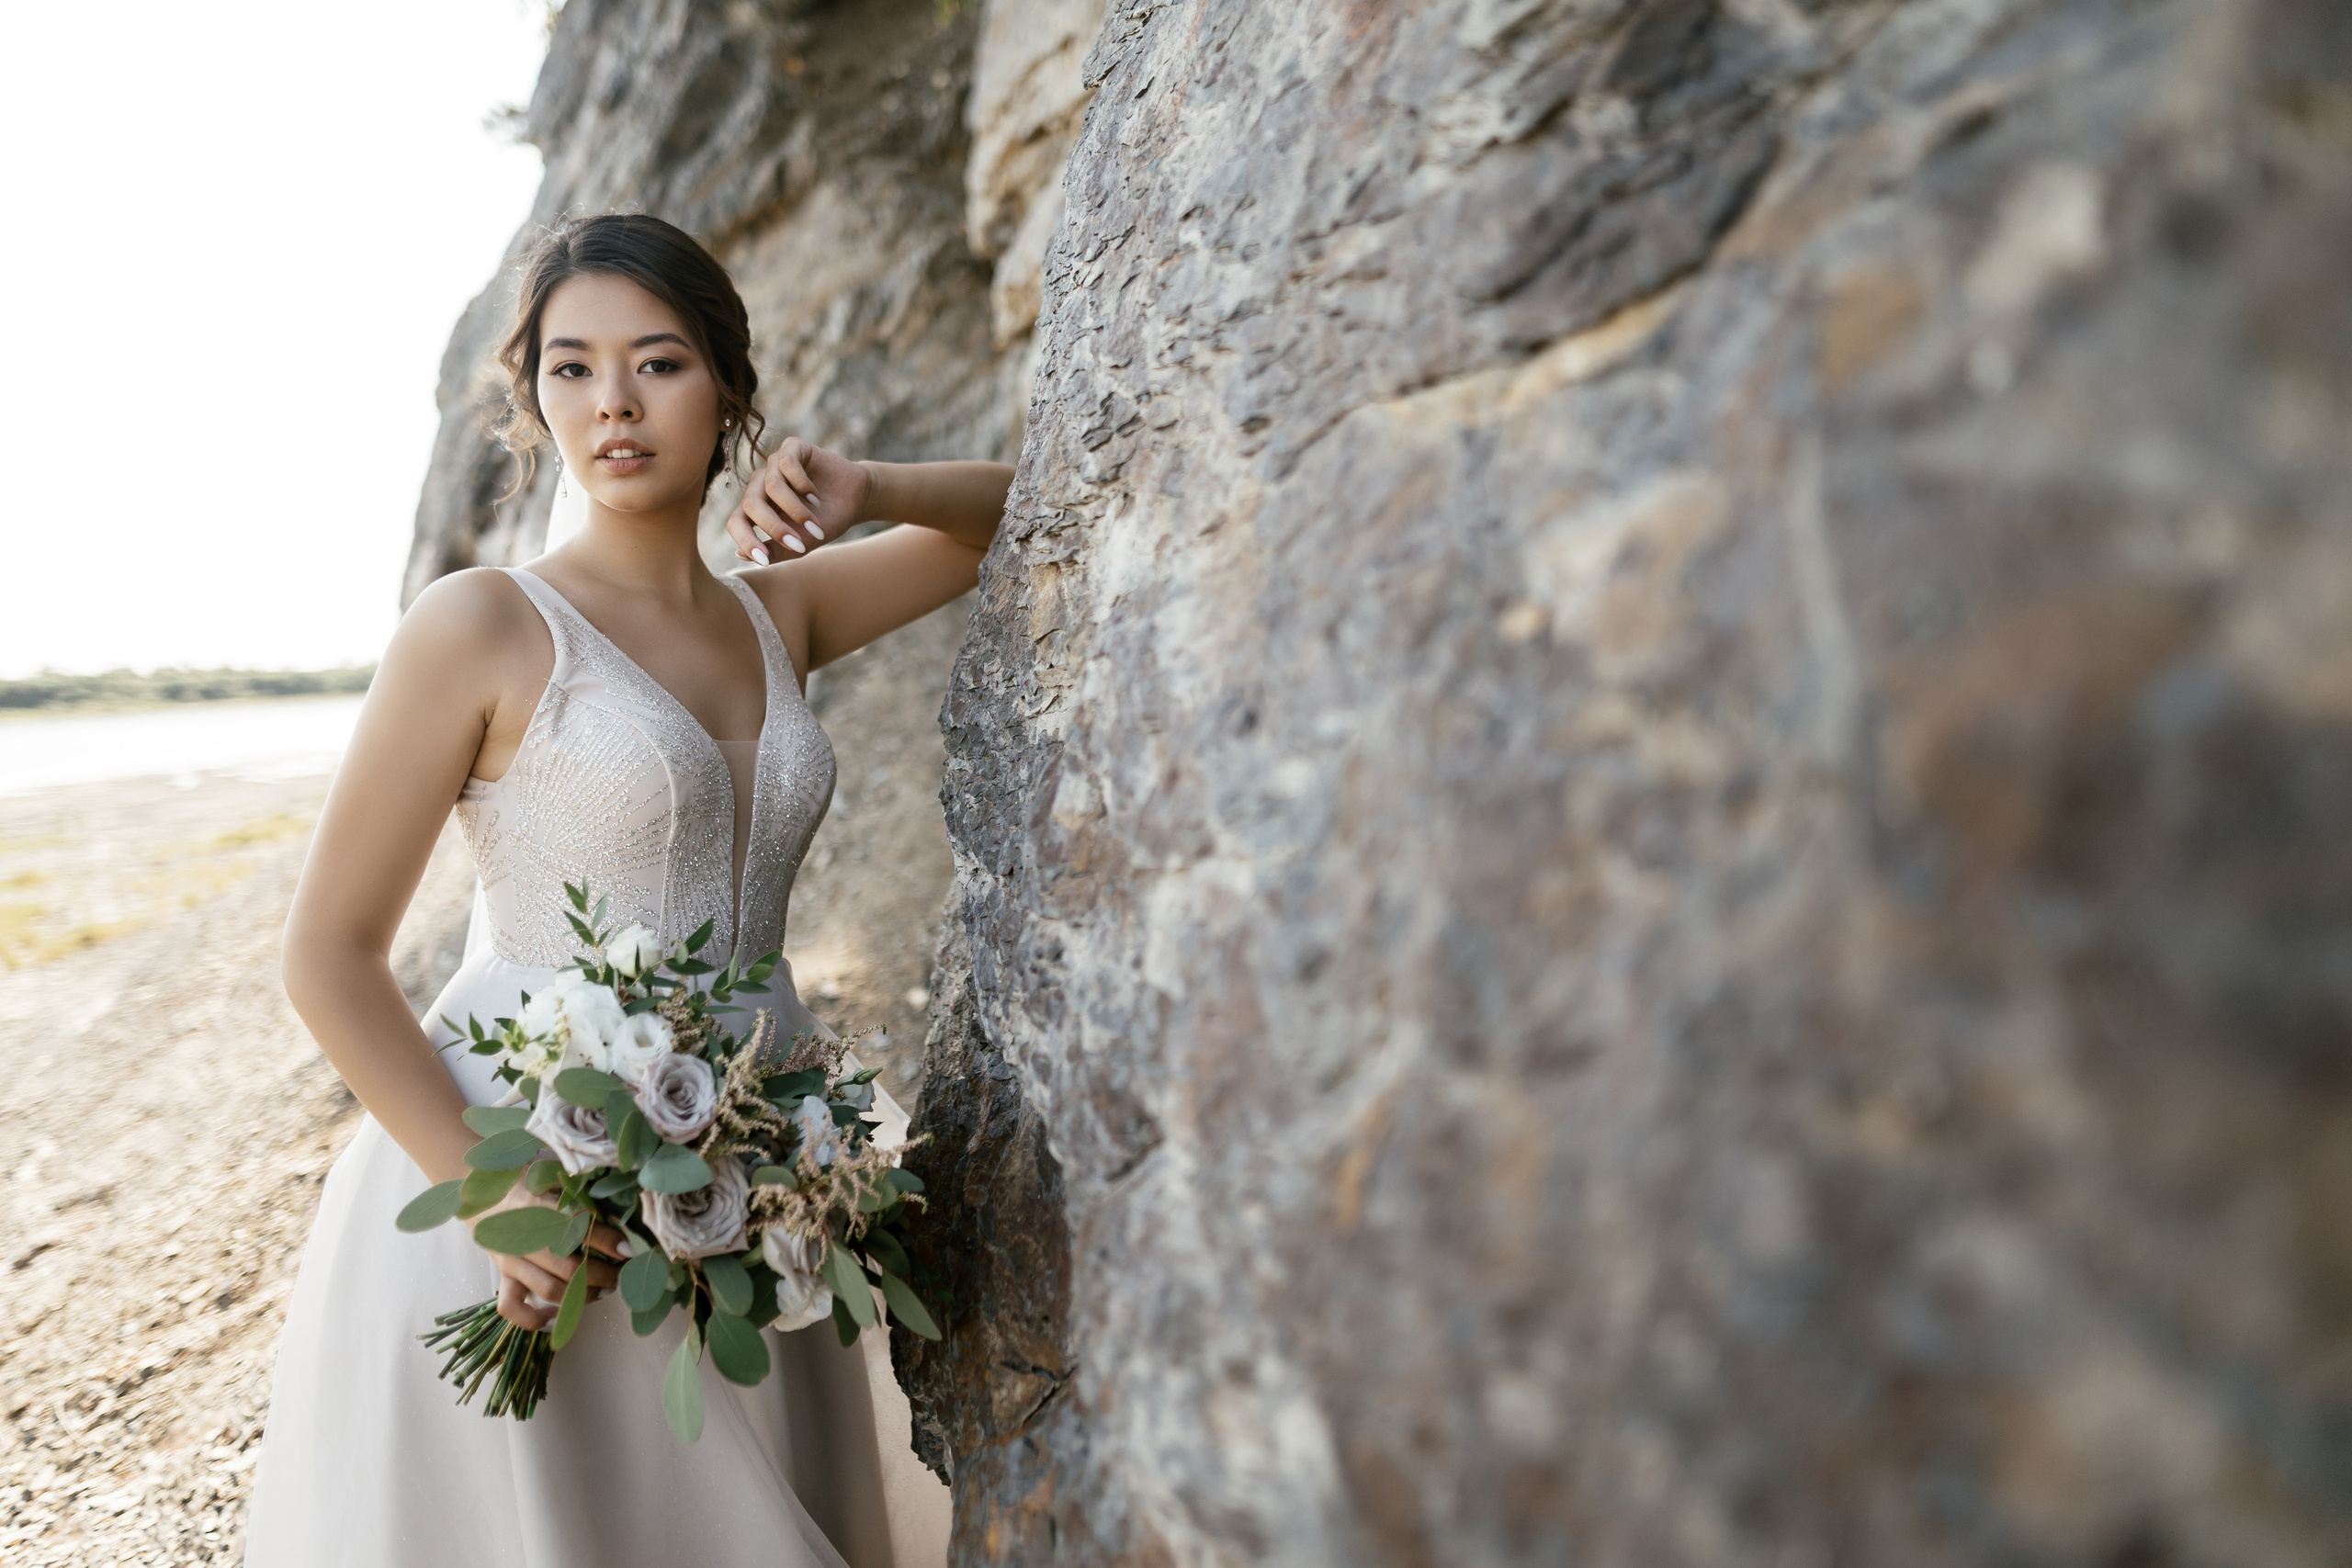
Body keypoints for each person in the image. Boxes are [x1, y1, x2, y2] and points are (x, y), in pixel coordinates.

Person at [245, 212, 1008, 1567]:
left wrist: (866, 478)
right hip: (533, 1157)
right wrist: (493, 1190)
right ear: (534, 396)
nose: (614, 404)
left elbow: (1005, 521)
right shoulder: (480, 626)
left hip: (763, 1174)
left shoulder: (786, 616)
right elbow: (329, 954)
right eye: (572, 368)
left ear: (727, 388)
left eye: (657, 363)